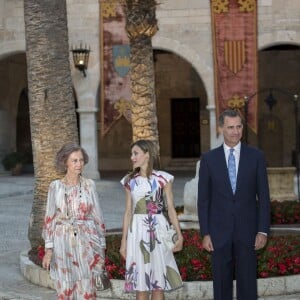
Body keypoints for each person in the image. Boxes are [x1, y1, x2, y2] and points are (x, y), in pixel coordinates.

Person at [197, 109, 271, 300]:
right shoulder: (208, 159)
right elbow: (203, 200)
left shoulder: (256, 156)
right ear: (221, 128)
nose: (235, 131)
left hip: (248, 231)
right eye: (230, 127)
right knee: (221, 284)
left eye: (239, 126)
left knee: (247, 282)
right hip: (218, 231)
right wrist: (205, 233)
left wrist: (262, 230)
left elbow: (263, 196)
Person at [119, 139, 183, 300]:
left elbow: (171, 209)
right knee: (141, 286)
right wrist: (123, 242)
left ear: (147, 155)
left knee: (158, 284)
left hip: (159, 231)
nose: (132, 157)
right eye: (131, 154)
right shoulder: (129, 181)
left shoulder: (163, 178)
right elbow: (128, 212)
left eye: (136, 154)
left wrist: (179, 235)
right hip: (137, 233)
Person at [42, 142, 106, 299]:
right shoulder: (55, 187)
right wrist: (49, 250)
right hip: (62, 242)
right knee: (65, 289)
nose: (79, 164)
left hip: (87, 242)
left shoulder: (89, 185)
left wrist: (101, 248)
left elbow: (98, 217)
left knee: (87, 289)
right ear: (65, 163)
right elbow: (49, 220)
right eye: (74, 160)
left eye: (81, 160)